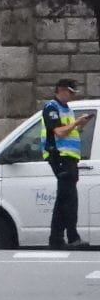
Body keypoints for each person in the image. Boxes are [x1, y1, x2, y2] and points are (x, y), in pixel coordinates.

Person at [42, 78, 90, 249]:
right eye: (70, 92)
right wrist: (76, 123)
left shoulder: (66, 109)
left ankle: (55, 239)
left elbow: (68, 132)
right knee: (70, 199)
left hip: (69, 158)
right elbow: (59, 132)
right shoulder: (51, 107)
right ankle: (72, 237)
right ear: (61, 90)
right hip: (59, 157)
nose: (72, 95)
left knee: (63, 200)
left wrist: (80, 126)